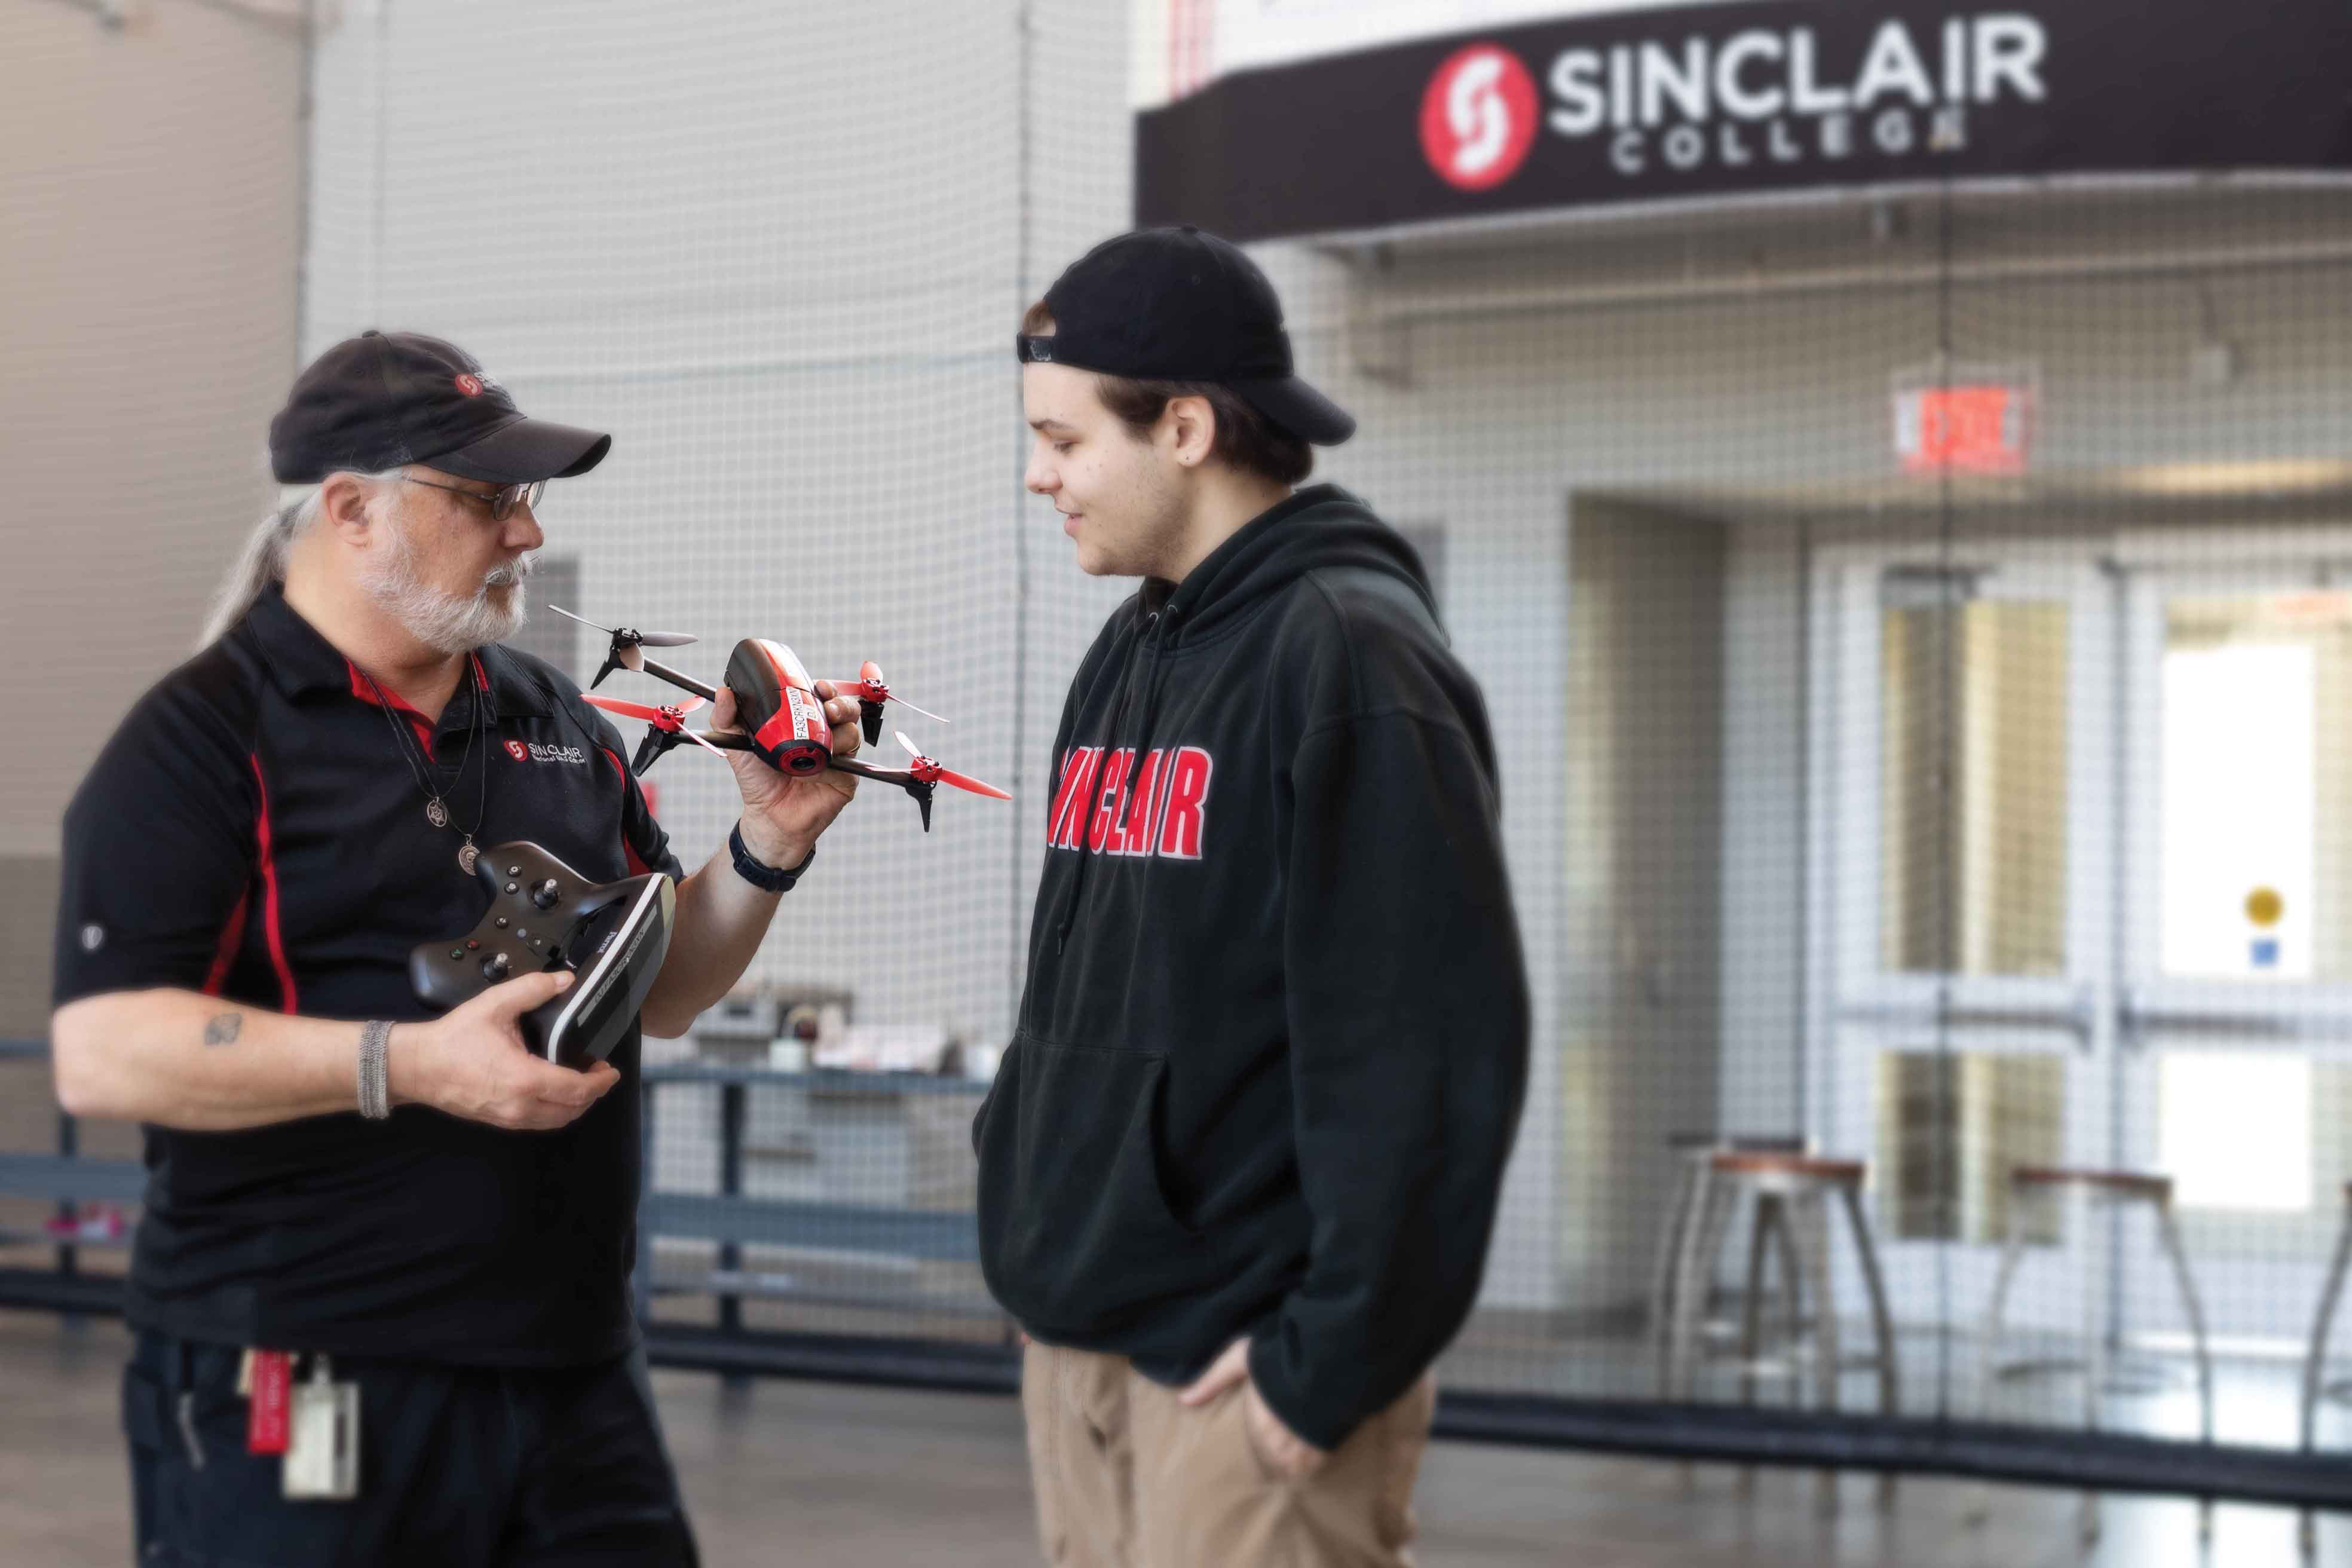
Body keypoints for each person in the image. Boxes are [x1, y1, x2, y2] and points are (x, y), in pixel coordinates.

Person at [49, 329, 861, 1566]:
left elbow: (667, 991)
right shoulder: (201, 742)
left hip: (566, 1370)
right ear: (350, 510)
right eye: (486, 500)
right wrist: (410, 1063)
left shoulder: (550, 720)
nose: (525, 534)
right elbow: (105, 1057)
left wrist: (767, 844)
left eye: (524, 500)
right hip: (303, 1370)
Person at [980, 226, 1531, 1566]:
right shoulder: (1133, 642)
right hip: (1086, 1342)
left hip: (1240, 1374)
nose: (1040, 475)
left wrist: (1325, 1364)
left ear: (1183, 426)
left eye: (1064, 439)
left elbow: (1431, 1053)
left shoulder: (1350, 658)